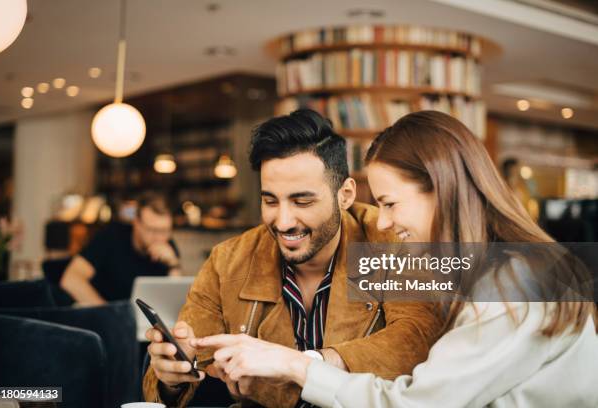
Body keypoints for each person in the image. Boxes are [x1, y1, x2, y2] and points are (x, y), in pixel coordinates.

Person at [194, 111, 598, 408]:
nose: (383, 219)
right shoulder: (498, 269)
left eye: (389, 203)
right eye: (270, 200)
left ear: (441, 189)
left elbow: (413, 398)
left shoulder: (513, 285)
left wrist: (298, 365)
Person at [143, 109, 443, 407]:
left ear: (345, 195)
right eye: (270, 200)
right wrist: (171, 376)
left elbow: (414, 339)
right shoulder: (228, 261)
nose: (284, 221)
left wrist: (306, 364)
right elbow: (184, 364)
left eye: (302, 201)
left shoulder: (392, 239)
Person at [60, 196, 181, 305]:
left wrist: (173, 264)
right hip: (103, 316)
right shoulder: (111, 236)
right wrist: (108, 313)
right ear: (136, 223)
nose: (159, 237)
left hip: (144, 322)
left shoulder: (168, 245)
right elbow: (71, 279)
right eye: (151, 230)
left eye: (164, 231)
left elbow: (174, 302)